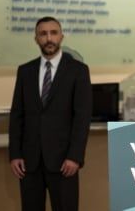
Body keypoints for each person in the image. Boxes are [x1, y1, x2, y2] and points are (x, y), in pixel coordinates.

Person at [9, 16, 92, 211]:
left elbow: (82, 117)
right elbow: (17, 115)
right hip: (29, 164)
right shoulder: (25, 71)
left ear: (61, 36)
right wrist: (15, 154)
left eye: (53, 33)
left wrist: (75, 156)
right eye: (43, 34)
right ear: (36, 39)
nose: (49, 39)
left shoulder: (78, 71)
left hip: (64, 162)